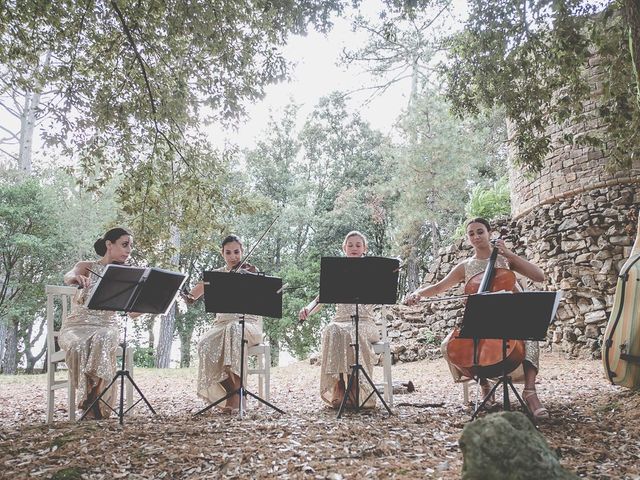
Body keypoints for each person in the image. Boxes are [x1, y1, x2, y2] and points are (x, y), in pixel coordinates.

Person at [404, 217, 549, 419]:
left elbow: (539, 276)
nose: (476, 236)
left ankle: (530, 392)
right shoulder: (466, 265)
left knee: (530, 334)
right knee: (448, 346)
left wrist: (508, 253)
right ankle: (484, 384)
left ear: (489, 233)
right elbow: (439, 287)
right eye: (471, 233)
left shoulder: (505, 259)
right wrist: (418, 294)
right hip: (479, 321)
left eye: (480, 231)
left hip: (509, 318)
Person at [299, 231, 381, 409]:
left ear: (364, 248)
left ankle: (356, 387)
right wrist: (308, 309)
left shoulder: (373, 271)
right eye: (350, 245)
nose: (354, 248)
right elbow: (321, 298)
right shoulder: (337, 272)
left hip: (365, 321)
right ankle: (339, 385)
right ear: (344, 248)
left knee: (354, 331)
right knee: (331, 329)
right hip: (341, 320)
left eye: (358, 245)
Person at [59, 227, 133, 420]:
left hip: (107, 325)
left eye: (130, 246)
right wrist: (75, 278)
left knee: (104, 336)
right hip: (76, 326)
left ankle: (92, 399)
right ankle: (91, 400)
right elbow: (68, 275)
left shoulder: (125, 273)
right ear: (109, 244)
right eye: (125, 245)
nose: (129, 250)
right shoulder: (86, 266)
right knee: (77, 345)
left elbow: (132, 312)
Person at [184, 234, 262, 414]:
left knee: (235, 329)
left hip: (247, 325)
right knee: (204, 344)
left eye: (236, 252)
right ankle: (231, 391)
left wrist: (253, 277)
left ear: (242, 251)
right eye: (228, 253)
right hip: (222, 325)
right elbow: (192, 297)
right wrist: (185, 295)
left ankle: (241, 393)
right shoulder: (216, 276)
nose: (233, 256)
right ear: (222, 254)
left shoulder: (250, 271)